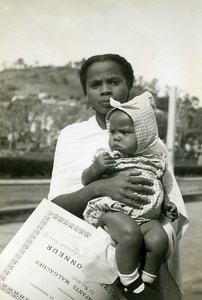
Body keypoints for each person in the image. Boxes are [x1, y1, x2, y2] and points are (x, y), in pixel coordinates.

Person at [48, 54, 189, 299]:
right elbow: (55, 208)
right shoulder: (72, 136)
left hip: (145, 255)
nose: (105, 91)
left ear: (129, 86)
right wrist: (101, 187)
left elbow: (170, 209)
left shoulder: (152, 144)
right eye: (95, 85)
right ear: (86, 93)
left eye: (114, 81)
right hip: (87, 261)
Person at [81, 93, 178, 299]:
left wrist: (166, 205)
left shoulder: (155, 161)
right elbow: (86, 181)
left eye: (124, 132)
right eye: (113, 132)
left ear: (143, 136)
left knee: (159, 238)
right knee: (129, 233)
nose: (116, 137)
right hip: (112, 213)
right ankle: (129, 280)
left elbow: (158, 188)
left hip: (146, 218)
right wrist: (95, 168)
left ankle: (146, 278)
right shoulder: (109, 159)